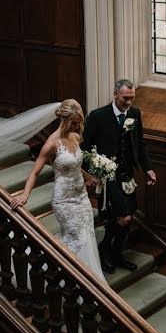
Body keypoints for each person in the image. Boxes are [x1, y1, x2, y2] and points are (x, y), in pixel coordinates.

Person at [9, 99, 107, 283]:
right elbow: (35, 172)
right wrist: (24, 195)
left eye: (79, 122)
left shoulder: (75, 137)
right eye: (74, 122)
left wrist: (89, 178)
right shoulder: (52, 144)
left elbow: (76, 166)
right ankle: (68, 280)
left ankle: (90, 281)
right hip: (64, 200)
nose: (77, 126)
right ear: (64, 119)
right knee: (75, 236)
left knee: (87, 235)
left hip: (82, 197)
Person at [82, 79, 157, 273]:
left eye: (132, 98)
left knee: (128, 215)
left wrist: (148, 168)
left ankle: (114, 252)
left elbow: (139, 144)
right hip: (106, 177)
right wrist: (92, 174)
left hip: (126, 174)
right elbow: (84, 149)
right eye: (125, 98)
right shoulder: (98, 116)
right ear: (115, 94)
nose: (129, 103)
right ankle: (106, 250)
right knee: (121, 217)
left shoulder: (134, 114)